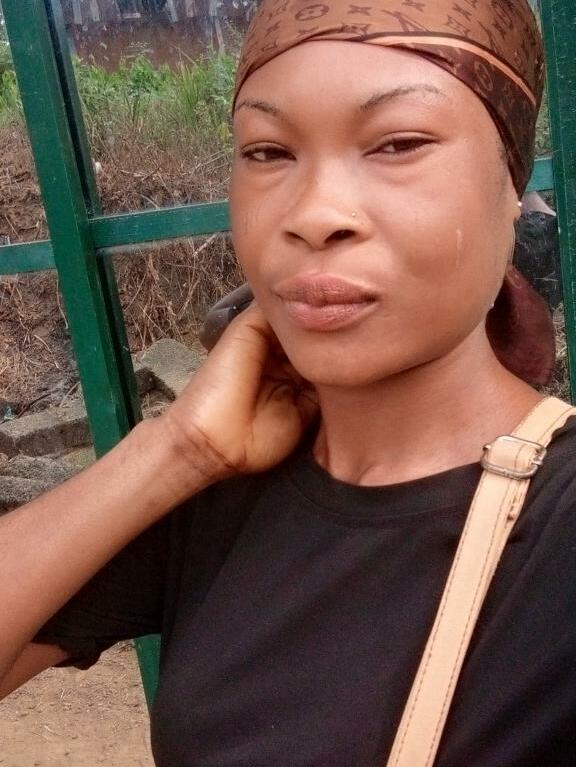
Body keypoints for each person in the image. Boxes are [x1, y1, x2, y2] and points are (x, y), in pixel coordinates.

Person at [1, 1, 575, 765]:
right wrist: (177, 449)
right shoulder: (219, 491)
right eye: (268, 152)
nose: (314, 214)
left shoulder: (556, 532)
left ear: (511, 186)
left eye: (399, 143)